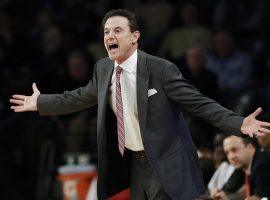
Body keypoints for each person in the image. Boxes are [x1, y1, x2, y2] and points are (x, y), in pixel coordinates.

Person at [10, 9, 270, 200]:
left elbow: (200, 104)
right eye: (106, 32)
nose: (110, 36)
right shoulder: (103, 69)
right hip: (134, 164)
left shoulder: (160, 69)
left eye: (117, 30)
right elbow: (78, 97)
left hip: (167, 162)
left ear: (135, 37)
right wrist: (41, 102)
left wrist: (239, 123)